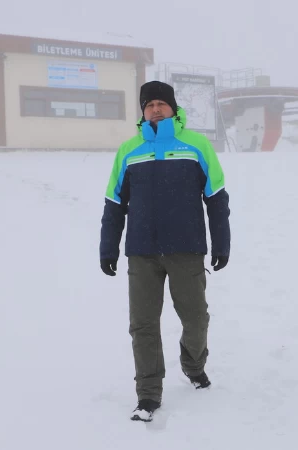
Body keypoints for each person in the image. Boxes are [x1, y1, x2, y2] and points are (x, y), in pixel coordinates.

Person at [99, 80, 231, 422]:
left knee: (196, 318)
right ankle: (148, 395)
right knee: (142, 325)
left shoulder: (196, 145)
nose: (155, 109)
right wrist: (108, 248)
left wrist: (222, 243)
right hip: (141, 253)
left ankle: (193, 364)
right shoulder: (129, 150)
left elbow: (216, 199)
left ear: (173, 108)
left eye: (161, 103)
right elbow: (114, 203)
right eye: (149, 105)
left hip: (186, 250)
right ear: (142, 111)